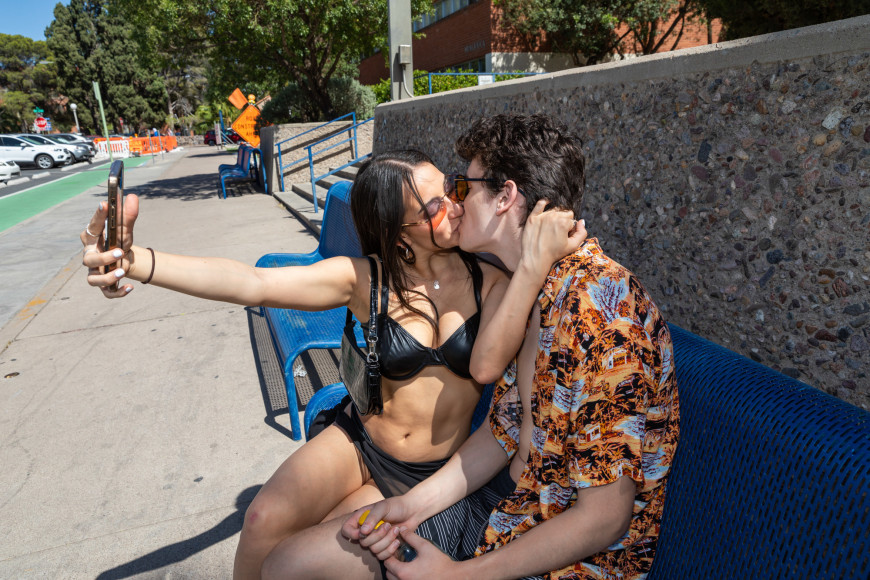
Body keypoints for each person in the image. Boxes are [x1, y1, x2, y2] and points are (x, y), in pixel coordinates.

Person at [79, 148, 582, 580]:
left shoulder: (490, 281)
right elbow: (252, 283)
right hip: (359, 441)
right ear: (399, 231)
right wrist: (138, 262)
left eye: (451, 190)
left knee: (307, 555)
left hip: (428, 474)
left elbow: (490, 364)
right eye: (434, 206)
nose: (454, 206)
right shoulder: (365, 279)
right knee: (260, 520)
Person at [336, 113, 681, 580]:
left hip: (565, 560)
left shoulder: (601, 311)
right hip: (508, 508)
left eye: (464, 187)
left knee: (318, 560)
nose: (456, 202)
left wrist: (457, 577)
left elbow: (604, 518)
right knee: (300, 559)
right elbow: (503, 432)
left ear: (505, 197)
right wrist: (409, 507)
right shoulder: (536, 289)